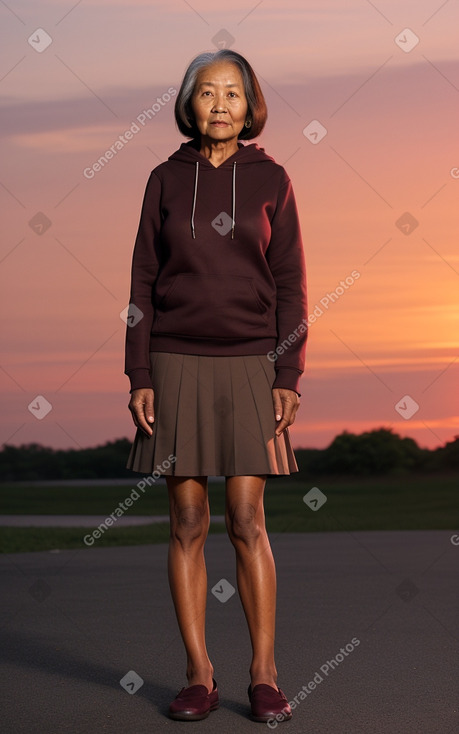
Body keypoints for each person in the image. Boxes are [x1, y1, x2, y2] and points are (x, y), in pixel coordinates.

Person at [124, 48, 307, 723]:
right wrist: (138, 372)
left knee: (247, 520)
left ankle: (263, 675)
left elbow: (290, 283)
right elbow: (141, 281)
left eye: (233, 92)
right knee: (187, 522)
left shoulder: (273, 179)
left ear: (250, 104)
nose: (221, 103)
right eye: (207, 92)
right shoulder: (162, 180)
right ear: (188, 104)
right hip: (173, 360)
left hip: (253, 362)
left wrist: (287, 373)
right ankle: (198, 675)